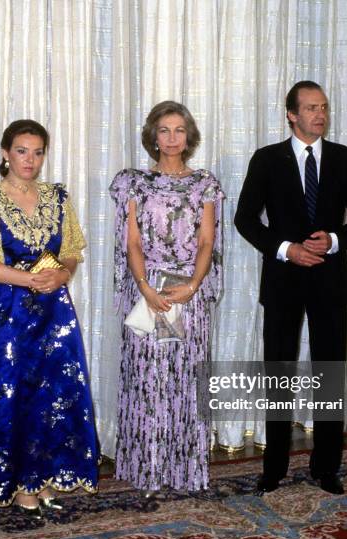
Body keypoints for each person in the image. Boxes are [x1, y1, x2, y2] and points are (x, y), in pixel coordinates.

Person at [234, 81, 347, 496]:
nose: (320, 115)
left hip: (330, 283)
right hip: (282, 281)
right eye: (312, 108)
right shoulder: (266, 160)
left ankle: (327, 466)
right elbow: (245, 219)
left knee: (329, 373)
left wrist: (334, 241)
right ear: (291, 114)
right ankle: (274, 467)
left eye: (324, 108)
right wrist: (285, 249)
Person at [0, 119, 98, 518]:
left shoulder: (57, 197)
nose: (30, 160)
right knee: (8, 395)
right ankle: (16, 485)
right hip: (7, 313)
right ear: (5, 153)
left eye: (37, 152)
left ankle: (44, 477)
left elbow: (72, 247)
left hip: (55, 313)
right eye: (22, 151)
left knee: (53, 395)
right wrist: (31, 280)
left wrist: (64, 273)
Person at [110, 101, 224, 494]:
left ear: (188, 136)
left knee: (185, 379)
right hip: (148, 289)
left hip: (187, 291)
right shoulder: (134, 182)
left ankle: (184, 468)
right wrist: (144, 285)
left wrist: (192, 286)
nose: (172, 138)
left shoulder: (205, 183)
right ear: (153, 136)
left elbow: (208, 240)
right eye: (164, 130)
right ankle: (147, 466)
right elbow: (133, 241)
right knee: (148, 377)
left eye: (179, 130)